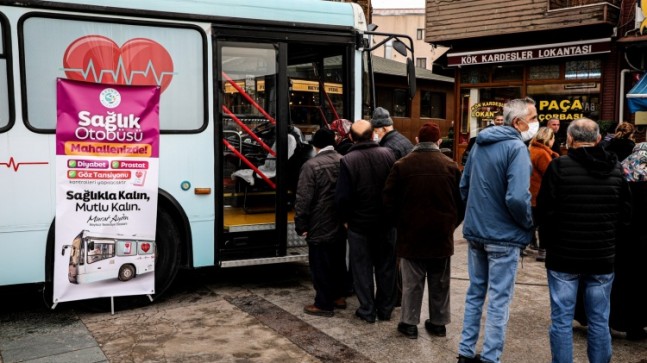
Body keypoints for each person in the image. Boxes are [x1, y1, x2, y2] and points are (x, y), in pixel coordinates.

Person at [536, 118, 632, 363]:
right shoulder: (616, 170)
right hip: (601, 257)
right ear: (598, 139)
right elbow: (626, 215)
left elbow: (545, 210)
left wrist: (548, 243)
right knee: (600, 319)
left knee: (561, 319)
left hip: (563, 258)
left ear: (569, 140)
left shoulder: (559, 167)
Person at [457, 97, 537, 363]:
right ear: (518, 122)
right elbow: (516, 197)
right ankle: (490, 357)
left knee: (475, 293)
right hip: (503, 236)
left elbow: (464, 186)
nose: (535, 123)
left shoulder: (480, 144)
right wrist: (527, 222)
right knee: (499, 300)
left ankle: (465, 351)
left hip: (477, 231)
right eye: (533, 118)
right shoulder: (516, 149)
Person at [383, 122, 464, 339]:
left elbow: (388, 202)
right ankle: (438, 323)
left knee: (411, 283)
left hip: (411, 236)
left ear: (417, 140)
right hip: (441, 237)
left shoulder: (402, 165)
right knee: (440, 282)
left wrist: (400, 225)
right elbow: (461, 204)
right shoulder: (450, 166)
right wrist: (450, 225)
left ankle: (409, 324)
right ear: (439, 142)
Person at [335, 119, 397, 324]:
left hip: (359, 225)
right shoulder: (388, 154)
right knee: (386, 266)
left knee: (361, 268)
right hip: (386, 222)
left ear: (351, 137)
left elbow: (342, 197)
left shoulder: (348, 160)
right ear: (373, 135)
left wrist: (345, 219)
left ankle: (367, 309)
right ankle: (386, 309)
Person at [295, 129, 348, 317]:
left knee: (320, 264)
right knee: (338, 260)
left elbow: (304, 198)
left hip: (319, 221)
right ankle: (339, 297)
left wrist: (300, 223)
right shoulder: (343, 160)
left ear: (315, 145)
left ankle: (323, 303)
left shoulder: (311, 165)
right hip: (341, 221)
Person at [611, 142, 647, 340]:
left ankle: (614, 320)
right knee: (640, 284)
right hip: (643, 240)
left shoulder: (620, 172)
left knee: (619, 282)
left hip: (621, 238)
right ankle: (636, 326)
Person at [529, 127, 559, 262]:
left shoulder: (531, 149)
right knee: (543, 223)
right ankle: (543, 250)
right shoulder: (542, 154)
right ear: (549, 139)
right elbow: (549, 174)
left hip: (530, 191)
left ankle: (527, 244)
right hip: (539, 192)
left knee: (532, 222)